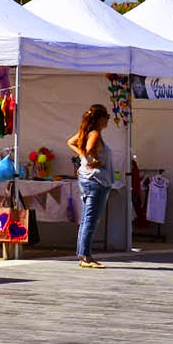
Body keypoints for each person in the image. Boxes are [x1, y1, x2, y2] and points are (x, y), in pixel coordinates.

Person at [67, 104, 112, 268]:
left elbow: (70, 142)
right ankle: (85, 256)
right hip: (96, 180)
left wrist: (83, 156)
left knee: (87, 218)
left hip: (89, 179)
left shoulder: (86, 132)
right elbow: (89, 147)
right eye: (106, 116)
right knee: (90, 220)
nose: (108, 120)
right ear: (100, 119)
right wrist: (93, 159)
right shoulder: (94, 133)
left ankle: (83, 254)